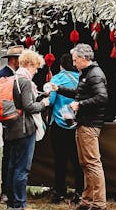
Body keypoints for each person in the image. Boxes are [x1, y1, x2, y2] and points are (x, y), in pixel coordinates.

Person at [50, 43, 108, 210]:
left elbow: (102, 98)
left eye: (75, 60)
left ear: (83, 58)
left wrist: (80, 105)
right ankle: (87, 200)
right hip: (83, 123)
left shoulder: (95, 75)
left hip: (90, 124)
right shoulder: (86, 74)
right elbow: (78, 93)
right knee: (85, 164)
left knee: (92, 163)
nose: (73, 64)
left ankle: (98, 203)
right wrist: (59, 88)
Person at [2, 49, 49, 210]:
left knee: (12, 166)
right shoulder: (26, 81)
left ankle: (11, 203)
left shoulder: (11, 78)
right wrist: (44, 104)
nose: (36, 71)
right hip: (24, 129)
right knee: (22, 168)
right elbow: (29, 106)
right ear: (29, 64)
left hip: (10, 128)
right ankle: (20, 204)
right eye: (36, 67)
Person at [47, 53, 83, 204]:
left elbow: (51, 100)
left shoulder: (56, 79)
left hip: (58, 124)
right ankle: (79, 193)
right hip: (77, 124)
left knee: (60, 160)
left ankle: (59, 192)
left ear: (61, 65)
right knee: (77, 160)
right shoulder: (82, 79)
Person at [0, 45, 22, 204]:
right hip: (7, 123)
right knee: (8, 158)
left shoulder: (17, 75)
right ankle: (5, 191)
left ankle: (13, 190)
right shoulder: (2, 76)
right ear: (13, 60)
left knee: (15, 158)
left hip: (16, 123)